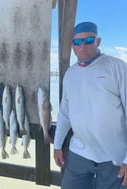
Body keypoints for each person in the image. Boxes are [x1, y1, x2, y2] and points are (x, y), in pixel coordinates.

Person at [53, 21, 127, 189]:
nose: (82, 46)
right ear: (72, 45)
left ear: (98, 41)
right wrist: (57, 145)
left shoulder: (117, 67)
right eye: (77, 42)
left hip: (114, 157)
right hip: (79, 153)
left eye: (88, 40)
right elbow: (64, 113)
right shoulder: (70, 74)